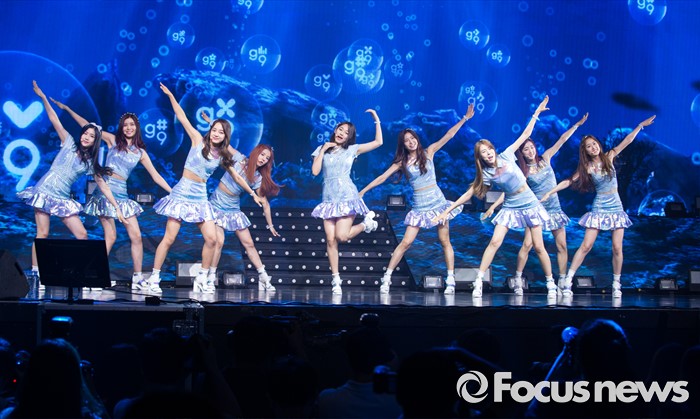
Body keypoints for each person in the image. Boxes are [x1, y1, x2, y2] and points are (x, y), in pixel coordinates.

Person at [146, 83, 262, 294]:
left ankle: (202, 278)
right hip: (182, 193)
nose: (216, 134)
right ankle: (154, 278)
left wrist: (252, 193)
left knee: (212, 238)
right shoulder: (197, 140)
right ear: (210, 131)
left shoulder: (223, 156)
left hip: (200, 197)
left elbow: (237, 176)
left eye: (221, 132)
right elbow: (182, 116)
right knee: (169, 239)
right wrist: (171, 95)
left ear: (225, 136)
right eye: (214, 130)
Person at [434, 96, 554, 298]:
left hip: (530, 203)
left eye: (489, 149)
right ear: (480, 157)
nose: (488, 153)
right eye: (483, 152)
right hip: (511, 206)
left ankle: (551, 284)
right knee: (495, 242)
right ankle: (478, 282)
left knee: (539, 246)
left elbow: (525, 134)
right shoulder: (487, 174)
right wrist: (447, 210)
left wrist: (536, 114)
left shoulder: (507, 155)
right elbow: (469, 193)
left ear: (493, 149)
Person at [50, 101, 172, 287]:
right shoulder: (113, 140)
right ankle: (91, 274)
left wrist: (173, 192)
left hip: (122, 195)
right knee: (111, 236)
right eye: (125, 125)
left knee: (136, 236)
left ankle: (137, 277)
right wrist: (67, 109)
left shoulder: (140, 152)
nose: (129, 128)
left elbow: (156, 176)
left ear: (137, 127)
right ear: (122, 127)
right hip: (105, 192)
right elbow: (87, 125)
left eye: (132, 124)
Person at [17, 81, 125, 286]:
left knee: (82, 235)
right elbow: (54, 119)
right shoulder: (68, 142)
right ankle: (36, 276)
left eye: (91, 136)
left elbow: (103, 186)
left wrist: (117, 207)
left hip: (62, 198)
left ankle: (77, 273)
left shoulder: (91, 163)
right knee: (42, 234)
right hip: (44, 191)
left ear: (95, 141)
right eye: (85, 133)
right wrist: (43, 98)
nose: (87, 137)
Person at [359, 104, 475, 294]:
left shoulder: (429, 152)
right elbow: (382, 177)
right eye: (407, 140)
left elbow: (449, 135)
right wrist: (363, 190)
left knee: (445, 241)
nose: (411, 142)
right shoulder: (402, 162)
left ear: (417, 139)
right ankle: (386, 279)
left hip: (438, 204)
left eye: (412, 138)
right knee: (406, 243)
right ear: (403, 144)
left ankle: (451, 281)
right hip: (420, 207)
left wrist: (465, 118)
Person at [540, 115, 656, 298]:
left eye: (594, 144)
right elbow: (569, 181)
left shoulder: (609, 156)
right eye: (589, 146)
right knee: (586, 245)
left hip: (616, 206)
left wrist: (640, 125)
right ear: (585, 151)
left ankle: (616, 284)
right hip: (600, 206)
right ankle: (568, 280)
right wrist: (550, 192)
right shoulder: (586, 167)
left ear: (599, 145)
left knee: (617, 248)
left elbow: (627, 140)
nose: (593, 147)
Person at [484, 113, 589, 296]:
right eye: (526, 149)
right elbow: (510, 191)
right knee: (527, 245)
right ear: (522, 153)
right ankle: (518, 279)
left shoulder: (546, 158)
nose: (530, 151)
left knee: (562, 246)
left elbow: (562, 140)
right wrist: (494, 206)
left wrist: (577, 125)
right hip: (535, 210)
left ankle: (563, 282)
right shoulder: (522, 170)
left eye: (532, 147)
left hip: (554, 209)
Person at [311, 110, 383, 294]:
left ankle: (366, 225)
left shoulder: (352, 149)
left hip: (347, 196)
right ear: (335, 130)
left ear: (349, 137)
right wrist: (323, 150)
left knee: (341, 236)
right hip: (329, 199)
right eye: (340, 129)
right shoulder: (322, 149)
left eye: (346, 132)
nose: (342, 133)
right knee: (330, 239)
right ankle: (336, 280)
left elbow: (378, 142)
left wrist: (376, 120)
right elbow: (315, 172)